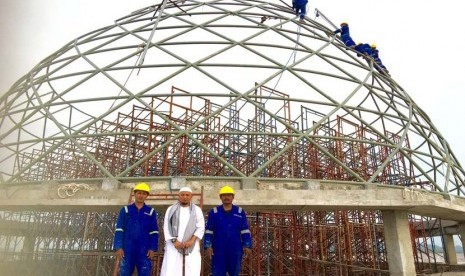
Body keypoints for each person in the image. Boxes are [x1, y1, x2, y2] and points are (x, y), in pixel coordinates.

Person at [204, 185, 252, 276]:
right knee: (218, 272)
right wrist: (207, 246)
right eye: (224, 195)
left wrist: (247, 245)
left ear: (233, 197)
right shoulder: (214, 212)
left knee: (234, 271)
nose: (226, 197)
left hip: (235, 247)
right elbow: (209, 231)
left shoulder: (240, 211)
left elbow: (245, 230)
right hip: (218, 247)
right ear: (220, 197)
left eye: (229, 195)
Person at [113, 182, 159, 276]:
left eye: (143, 193)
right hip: (127, 249)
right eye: (139, 193)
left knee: (144, 273)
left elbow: (154, 232)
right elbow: (119, 229)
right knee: (124, 273)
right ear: (135, 194)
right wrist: (118, 247)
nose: (141, 195)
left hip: (144, 250)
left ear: (146, 196)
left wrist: (152, 248)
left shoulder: (150, 212)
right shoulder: (125, 210)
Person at [160, 187, 205, 276]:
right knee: (171, 268)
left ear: (191, 196)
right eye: (182, 195)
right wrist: (174, 241)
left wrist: (192, 240)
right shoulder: (171, 209)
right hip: (173, 245)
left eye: (187, 195)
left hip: (191, 245)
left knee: (191, 268)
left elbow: (201, 227)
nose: (185, 197)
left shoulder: (197, 210)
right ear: (179, 196)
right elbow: (166, 226)